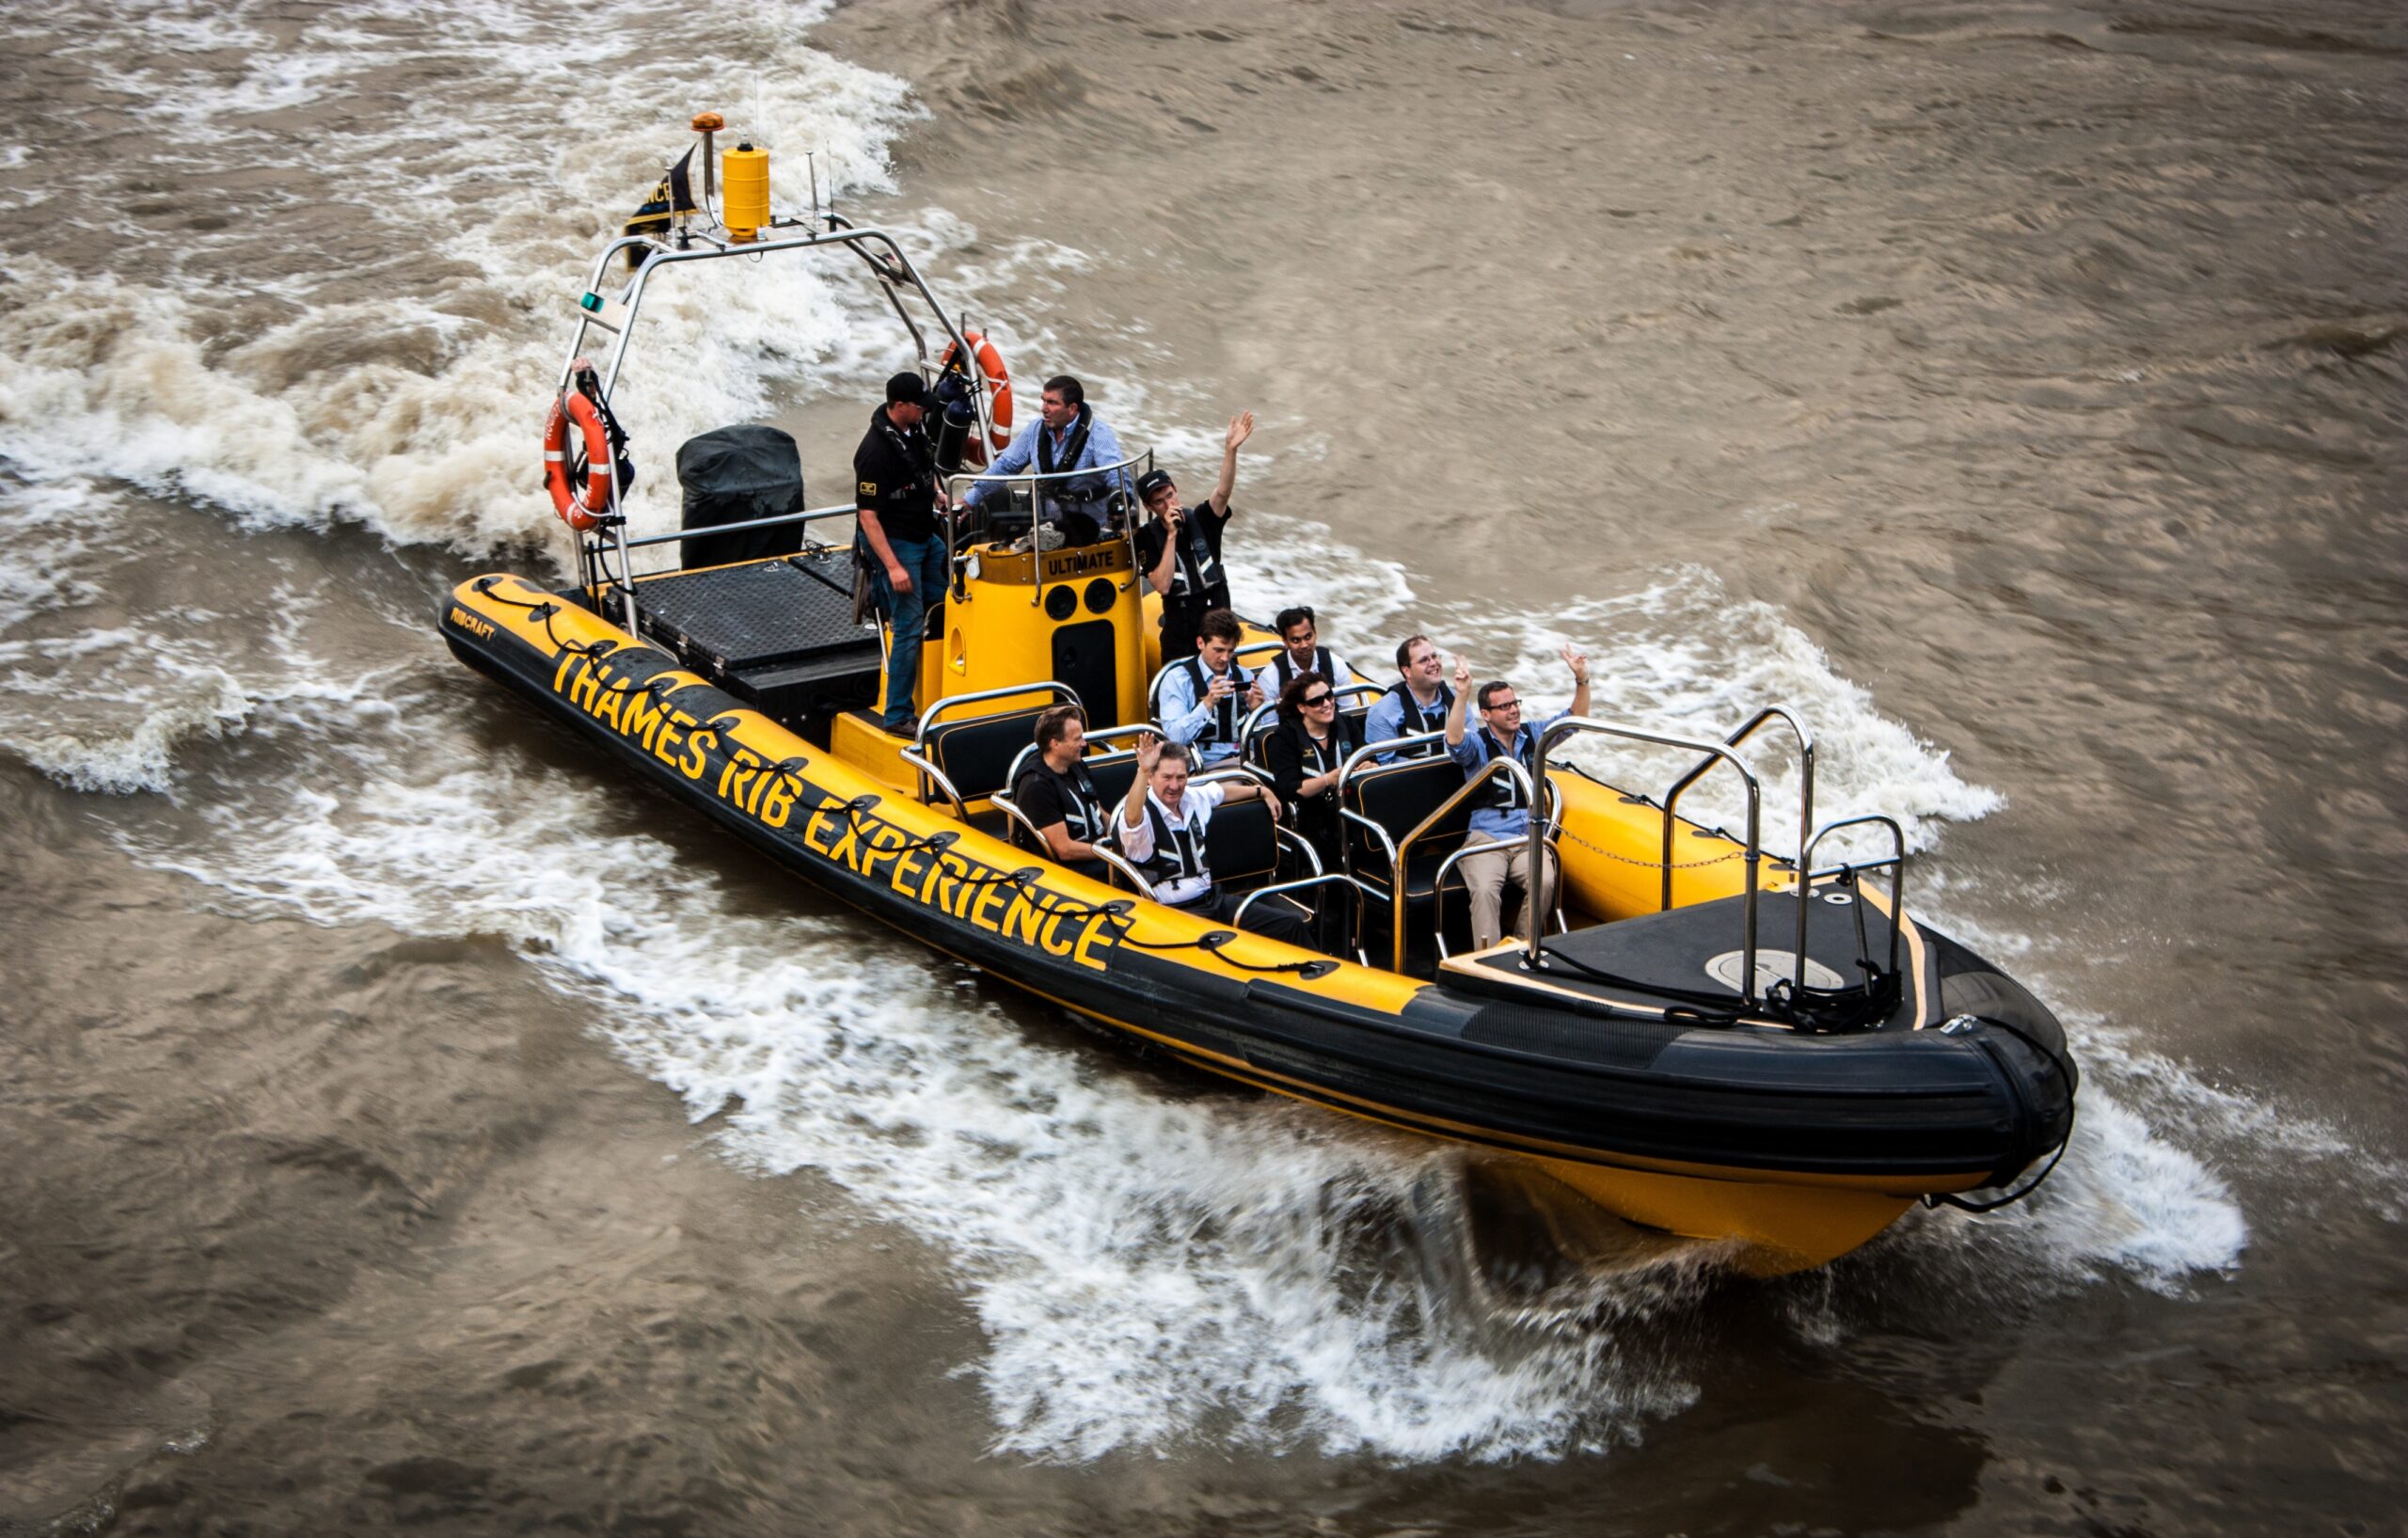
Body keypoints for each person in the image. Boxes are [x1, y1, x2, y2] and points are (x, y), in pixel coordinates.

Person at [1444, 644, 1592, 951]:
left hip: (1525, 837)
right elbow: (1454, 740)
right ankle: (1486, 960)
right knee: (1485, 890)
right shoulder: (1478, 746)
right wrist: (1462, 695)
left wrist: (1581, 679)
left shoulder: (1533, 735)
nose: (1513, 710)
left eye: (1515, 703)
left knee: (1545, 881)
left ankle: (1520, 949)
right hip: (1488, 838)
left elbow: (1575, 720)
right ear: (1486, 715)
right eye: (1504, 706)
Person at [1116, 735, 1312, 945]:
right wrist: (1142, 770)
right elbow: (1132, 819)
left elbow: (1220, 792)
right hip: (1175, 914)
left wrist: (1261, 791)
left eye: (1180, 777)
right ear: (1152, 778)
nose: (1174, 785)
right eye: (1167, 777)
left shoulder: (1191, 797)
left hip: (1214, 901)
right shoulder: (1140, 812)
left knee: (1290, 925)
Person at [854, 371, 953, 733]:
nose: (924, 411)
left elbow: (926, 469)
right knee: (909, 624)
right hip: (897, 543)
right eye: (918, 405)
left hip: (925, 534)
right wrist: (893, 567)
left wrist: (938, 493)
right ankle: (897, 715)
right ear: (899, 406)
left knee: (951, 593)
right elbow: (867, 515)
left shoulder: (914, 430)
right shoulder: (874, 453)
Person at [1133, 412, 1254, 663]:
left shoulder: (1202, 518)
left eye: (1169, 495)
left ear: (1175, 490)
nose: (1168, 503)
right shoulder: (1146, 537)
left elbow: (1222, 492)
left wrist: (1230, 450)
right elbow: (1162, 585)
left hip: (1218, 629)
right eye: (1159, 501)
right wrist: (1171, 535)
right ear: (1149, 507)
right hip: (1181, 637)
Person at [965, 374, 1129, 547]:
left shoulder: (1099, 435)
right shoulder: (1035, 430)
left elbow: (1117, 474)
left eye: (1052, 403)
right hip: (1043, 529)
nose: (1044, 408)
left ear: (1072, 408)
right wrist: (969, 500)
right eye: (1043, 401)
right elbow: (1006, 465)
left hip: (1088, 533)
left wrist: (1121, 500)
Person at [1263, 670, 1359, 879]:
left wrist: (1368, 766)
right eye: (1317, 701)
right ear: (1301, 708)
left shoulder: (1347, 725)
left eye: (1329, 696)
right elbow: (1290, 788)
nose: (1326, 704)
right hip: (1309, 814)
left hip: (1351, 807)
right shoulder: (1284, 738)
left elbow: (1368, 758)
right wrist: (1328, 780)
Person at [1010, 705, 1112, 879]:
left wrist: (1124, 837)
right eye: (1077, 739)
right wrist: (1112, 854)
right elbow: (1065, 850)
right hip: (1067, 872)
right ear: (1055, 744)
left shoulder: (1075, 764)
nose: (1084, 744)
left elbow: (1097, 810)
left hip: (1095, 850)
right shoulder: (1037, 787)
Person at [1156, 608, 1262, 769]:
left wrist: (1256, 711)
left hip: (1247, 759)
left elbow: (1265, 733)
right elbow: (1175, 737)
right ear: (1201, 643)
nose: (1225, 658)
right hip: (1206, 765)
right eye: (1218, 650)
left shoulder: (1245, 676)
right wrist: (1207, 704)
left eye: (1230, 651)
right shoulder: (1178, 679)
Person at [1362, 635, 1455, 758]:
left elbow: (1475, 752)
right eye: (1424, 660)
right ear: (1407, 671)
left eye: (1434, 656)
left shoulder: (1458, 700)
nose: (1433, 663)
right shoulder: (1382, 713)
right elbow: (1383, 768)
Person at [1263, 606, 1354, 696]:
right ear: (1285, 641)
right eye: (1296, 640)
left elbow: (1348, 708)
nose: (1304, 645)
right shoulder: (1270, 678)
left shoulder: (1337, 665)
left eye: (1308, 637)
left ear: (1315, 633)